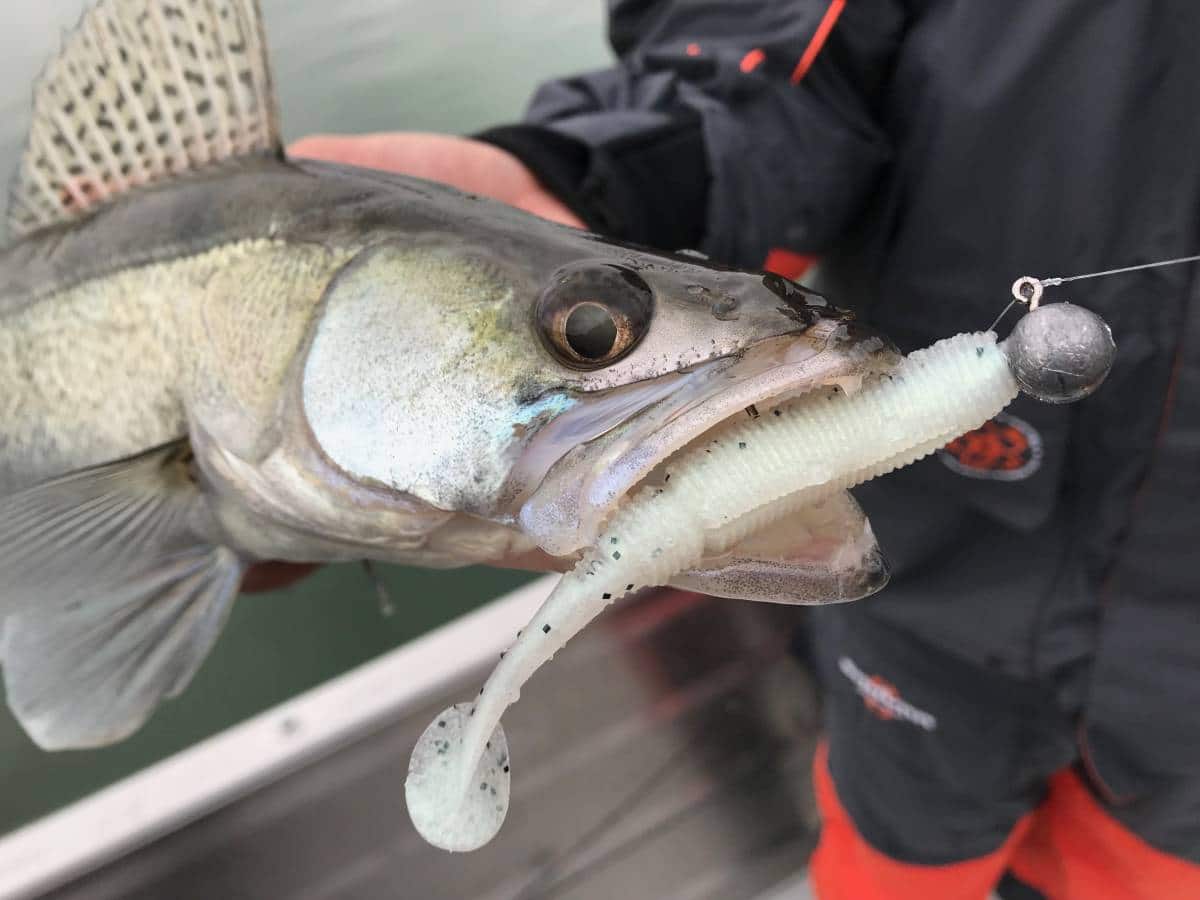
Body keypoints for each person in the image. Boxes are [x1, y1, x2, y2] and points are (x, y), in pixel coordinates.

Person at [294, 2, 1200, 897]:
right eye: (589, 332)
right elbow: (770, 44)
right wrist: (612, 183)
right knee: (890, 865)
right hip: (919, 616)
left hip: (1182, 710)